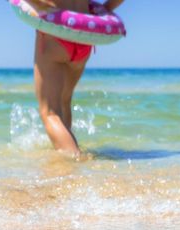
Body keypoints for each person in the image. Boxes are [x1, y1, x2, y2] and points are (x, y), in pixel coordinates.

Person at [28, 0, 125, 159]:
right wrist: (105, 9)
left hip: (55, 34)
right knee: (64, 101)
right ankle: (70, 161)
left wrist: (39, 6)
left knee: (50, 112)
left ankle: (75, 159)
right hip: (83, 38)